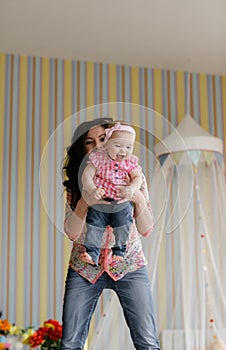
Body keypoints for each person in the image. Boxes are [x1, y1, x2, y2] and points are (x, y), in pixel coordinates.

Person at [61, 117, 160, 350]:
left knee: (147, 342)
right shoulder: (80, 182)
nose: (96, 145)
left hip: (129, 264)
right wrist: (85, 201)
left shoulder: (134, 175)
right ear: (82, 148)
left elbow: (146, 229)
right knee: (70, 343)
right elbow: (72, 233)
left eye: (102, 139)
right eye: (89, 142)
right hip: (84, 267)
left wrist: (135, 197)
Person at [81, 122, 142, 266]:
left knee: (124, 223)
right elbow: (86, 176)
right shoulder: (98, 160)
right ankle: (91, 253)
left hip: (121, 202)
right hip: (100, 201)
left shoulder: (129, 162)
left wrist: (132, 188)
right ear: (107, 144)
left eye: (128, 147)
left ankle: (119, 251)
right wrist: (93, 190)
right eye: (118, 146)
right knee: (94, 223)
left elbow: (137, 178)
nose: (123, 151)